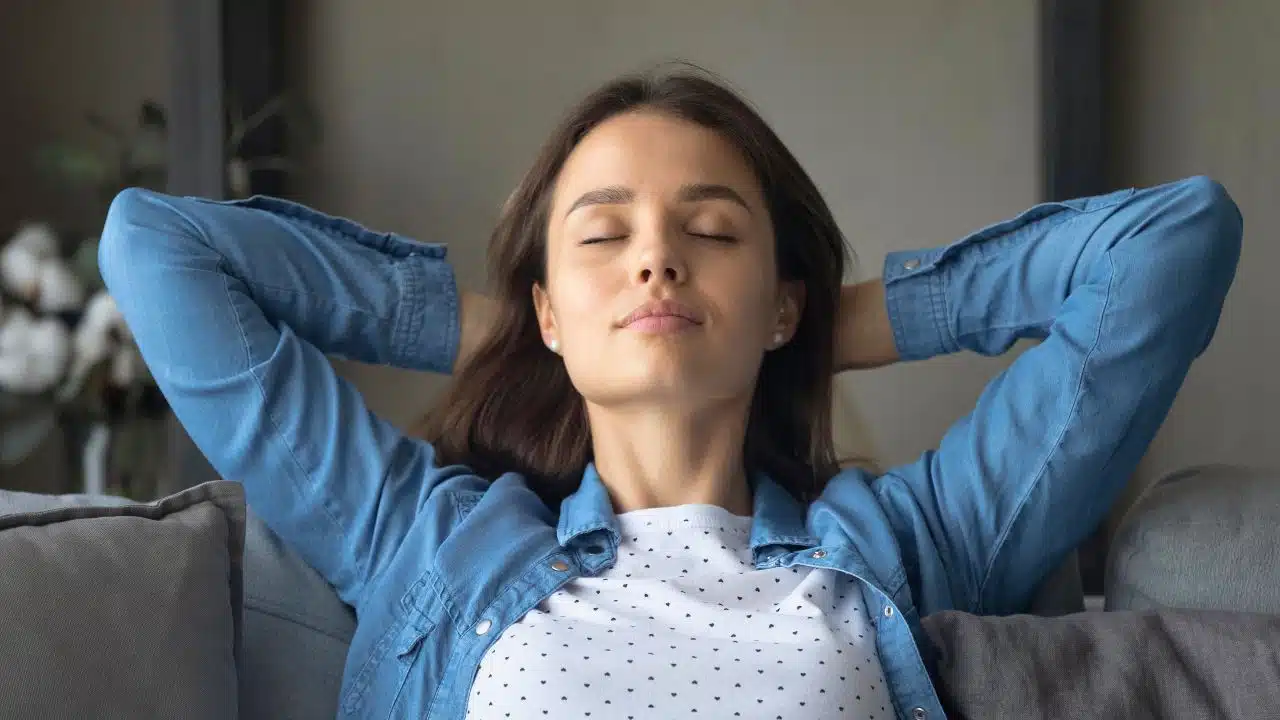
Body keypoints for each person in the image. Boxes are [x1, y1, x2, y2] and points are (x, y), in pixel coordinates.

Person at [97, 67, 1242, 719]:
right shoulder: (428, 546)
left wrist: (821, 331)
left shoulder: (904, 544)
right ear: (546, 309)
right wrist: (508, 331)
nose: (654, 259)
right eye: (602, 237)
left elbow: (1166, 248)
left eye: (708, 230)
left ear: (781, 299)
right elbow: (157, 250)